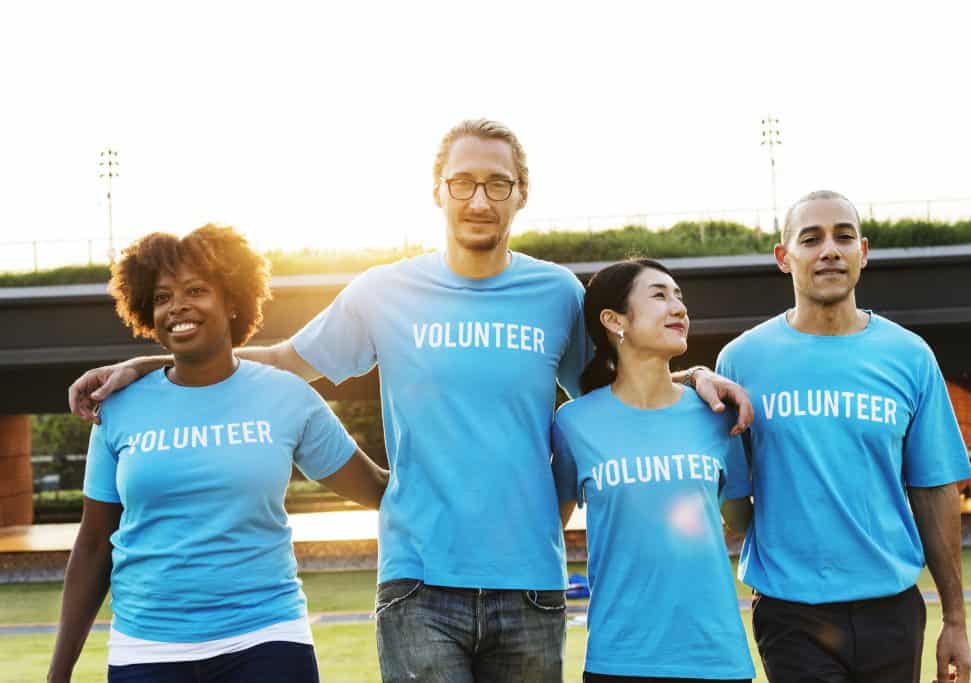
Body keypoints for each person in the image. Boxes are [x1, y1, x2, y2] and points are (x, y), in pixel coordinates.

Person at [68, 119, 753, 683]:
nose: (479, 199)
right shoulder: (382, 291)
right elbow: (281, 363)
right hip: (417, 585)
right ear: (436, 190)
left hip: (533, 584)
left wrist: (690, 377)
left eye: (497, 184)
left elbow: (620, 398)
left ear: (520, 196)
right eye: (463, 182)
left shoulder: (558, 296)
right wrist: (155, 361)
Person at [49, 226, 388, 683]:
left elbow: (379, 490)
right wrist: (58, 672)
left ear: (232, 301)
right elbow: (92, 546)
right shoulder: (118, 407)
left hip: (266, 641)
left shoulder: (287, 397)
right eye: (163, 297)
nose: (178, 306)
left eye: (196, 290)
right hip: (147, 650)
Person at [715, 190, 971, 683]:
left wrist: (955, 619)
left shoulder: (910, 356)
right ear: (783, 257)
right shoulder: (741, 360)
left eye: (844, 236)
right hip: (792, 612)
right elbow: (735, 502)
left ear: (864, 253)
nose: (829, 249)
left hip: (892, 609)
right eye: (811, 239)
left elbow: (935, 489)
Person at [552, 259, 756, 683]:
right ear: (614, 320)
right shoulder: (574, 423)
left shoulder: (718, 413)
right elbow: (548, 527)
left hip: (717, 659)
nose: (678, 307)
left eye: (680, 296)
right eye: (660, 295)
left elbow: (742, 519)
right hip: (618, 660)